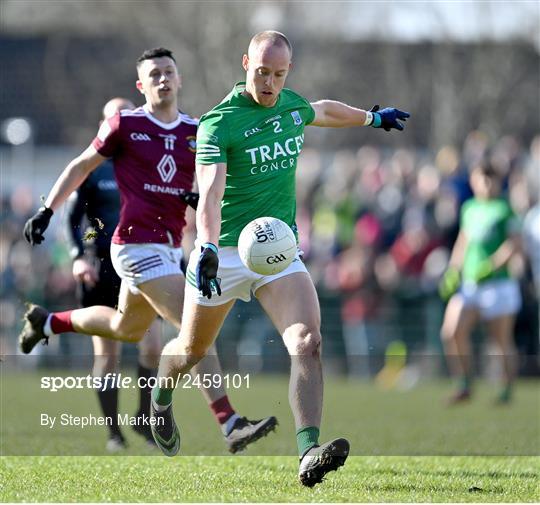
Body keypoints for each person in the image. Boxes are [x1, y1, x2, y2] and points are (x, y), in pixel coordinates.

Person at [149, 31, 409, 487]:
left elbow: (324, 111)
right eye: (261, 73)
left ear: (288, 73)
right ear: (245, 62)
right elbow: (209, 196)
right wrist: (207, 248)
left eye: (279, 75)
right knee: (190, 351)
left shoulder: (291, 105)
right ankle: (161, 396)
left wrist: (372, 117)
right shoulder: (219, 122)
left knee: (308, 341)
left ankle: (308, 452)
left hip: (277, 251)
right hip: (223, 254)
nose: (269, 83)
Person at [19, 48, 277, 453]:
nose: (163, 79)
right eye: (154, 74)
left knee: (128, 329)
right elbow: (81, 165)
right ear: (141, 85)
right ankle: (231, 424)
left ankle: (50, 322)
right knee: (195, 331)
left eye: (169, 72)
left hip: (170, 248)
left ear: (179, 79)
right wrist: (46, 209)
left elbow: (212, 186)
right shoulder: (126, 124)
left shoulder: (197, 129)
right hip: (135, 247)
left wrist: (197, 198)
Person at [439, 162, 522, 404]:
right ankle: (464, 383)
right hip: (471, 283)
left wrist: (492, 265)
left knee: (500, 340)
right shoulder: (469, 208)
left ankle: (506, 388)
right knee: (451, 331)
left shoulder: (504, 209)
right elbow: (463, 241)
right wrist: (453, 269)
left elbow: (515, 244)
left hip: (498, 284)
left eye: (489, 180)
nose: (484, 185)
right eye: (480, 180)